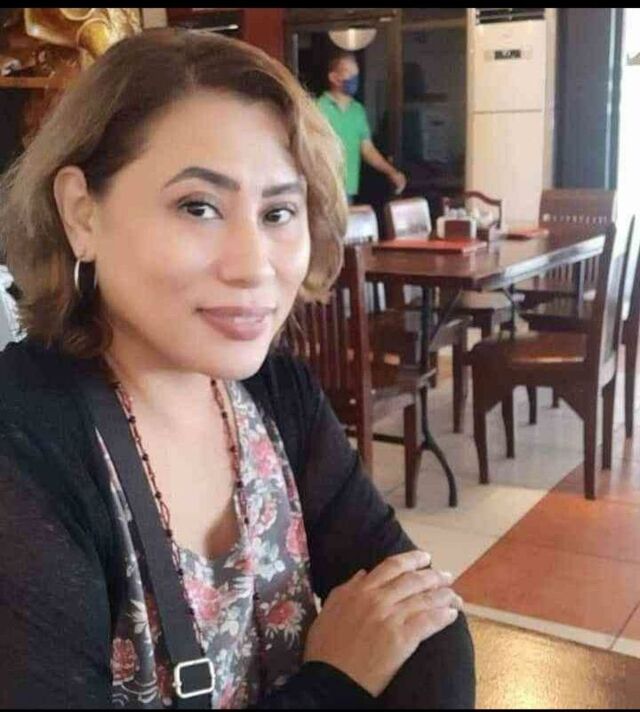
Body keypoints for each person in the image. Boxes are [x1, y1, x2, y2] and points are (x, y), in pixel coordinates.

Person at [0, 29, 474, 709]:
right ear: (82, 215)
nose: (254, 266)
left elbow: (426, 625)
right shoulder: (24, 445)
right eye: (198, 207)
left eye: (278, 211)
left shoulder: (276, 395)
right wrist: (336, 681)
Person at [316, 50, 407, 205]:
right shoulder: (317, 108)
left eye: (356, 73)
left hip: (348, 190)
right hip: (323, 189)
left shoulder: (358, 110)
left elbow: (367, 150)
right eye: (349, 73)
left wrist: (392, 172)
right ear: (333, 77)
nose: (354, 78)